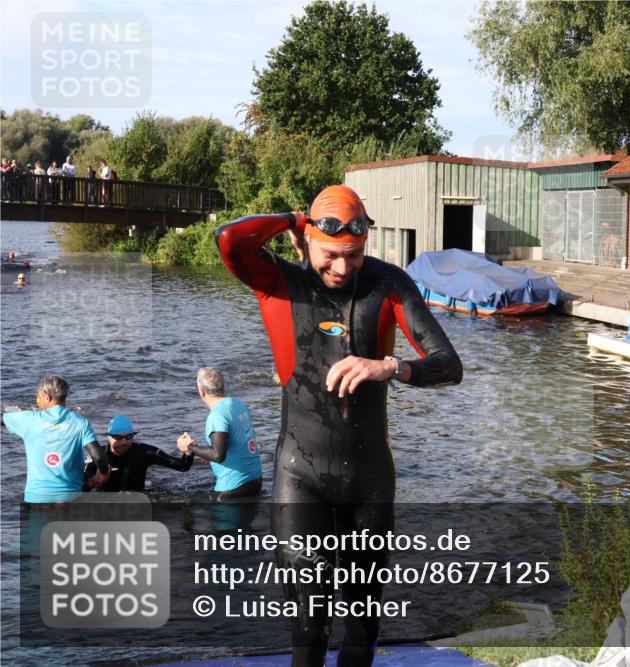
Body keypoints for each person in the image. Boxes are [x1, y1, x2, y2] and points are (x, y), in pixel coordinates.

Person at [215, 184, 463, 666]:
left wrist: (389, 367)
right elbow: (230, 239)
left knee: (363, 624)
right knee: (309, 626)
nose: (343, 267)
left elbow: (448, 365)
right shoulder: (279, 282)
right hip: (300, 476)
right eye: (331, 254)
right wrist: (292, 218)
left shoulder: (387, 285)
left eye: (354, 255)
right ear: (308, 239)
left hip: (369, 479)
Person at [1, 376, 108, 503]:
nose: (37, 400)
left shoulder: (29, 420)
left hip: (36, 498)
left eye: (38, 395)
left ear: (47, 397)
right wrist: (103, 473)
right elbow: (98, 456)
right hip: (69, 498)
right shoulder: (80, 422)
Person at [176, 367, 262, 500]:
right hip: (255, 480)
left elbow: (218, 455)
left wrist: (189, 447)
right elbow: (237, 439)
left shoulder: (217, 415)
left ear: (201, 391)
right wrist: (206, 453)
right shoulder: (238, 403)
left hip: (233, 487)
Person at [84, 415, 193, 493]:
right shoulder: (98, 457)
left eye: (129, 437)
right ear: (109, 437)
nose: (124, 442)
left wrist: (188, 451)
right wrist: (94, 481)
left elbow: (182, 466)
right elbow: (79, 490)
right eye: (118, 437)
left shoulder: (144, 452)